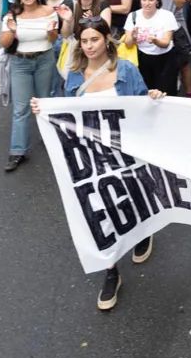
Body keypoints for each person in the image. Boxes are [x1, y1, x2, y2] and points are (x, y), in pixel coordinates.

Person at [31, 18, 163, 311]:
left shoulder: (126, 70)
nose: (90, 46)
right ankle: (110, 271)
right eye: (85, 41)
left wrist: (153, 97)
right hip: (91, 156)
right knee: (99, 210)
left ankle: (143, 230)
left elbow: (141, 105)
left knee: (132, 197)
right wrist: (44, 109)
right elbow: (66, 113)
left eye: (95, 39)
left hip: (126, 150)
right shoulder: (75, 76)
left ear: (107, 39)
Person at [0, 0, 59, 172]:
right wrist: (13, 31)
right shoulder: (12, 16)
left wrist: (51, 32)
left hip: (44, 59)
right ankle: (17, 150)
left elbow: (53, 38)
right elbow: (4, 43)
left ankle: (50, 140)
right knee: (21, 107)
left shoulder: (49, 12)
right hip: (20, 62)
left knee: (45, 102)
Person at [125, 0, 180, 94]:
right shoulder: (133, 16)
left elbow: (165, 42)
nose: (147, 3)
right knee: (146, 91)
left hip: (165, 58)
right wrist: (133, 37)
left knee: (166, 92)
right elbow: (128, 44)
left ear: (157, 1)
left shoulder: (167, 16)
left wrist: (155, 41)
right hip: (143, 57)